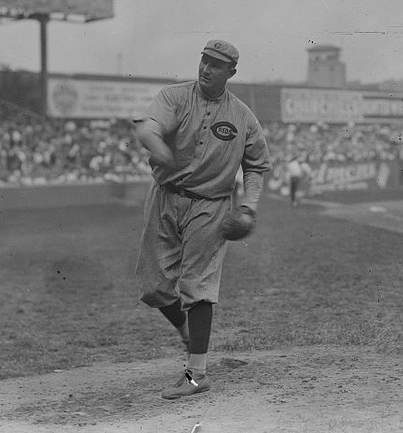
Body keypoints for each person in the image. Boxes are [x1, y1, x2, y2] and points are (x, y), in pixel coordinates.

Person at [134, 40, 272, 399]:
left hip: (210, 206)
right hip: (165, 197)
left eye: (216, 64)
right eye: (204, 61)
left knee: (198, 285)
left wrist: (249, 207)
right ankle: (187, 335)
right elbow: (148, 127)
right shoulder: (175, 97)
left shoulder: (243, 116)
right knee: (155, 286)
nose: (206, 68)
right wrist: (157, 145)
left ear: (231, 72)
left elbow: (256, 166)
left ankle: (197, 373)